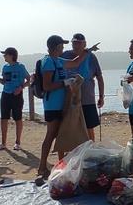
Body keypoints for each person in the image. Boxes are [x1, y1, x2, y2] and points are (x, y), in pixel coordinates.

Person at [37, 35, 99, 181]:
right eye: (62, 46)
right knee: (51, 134)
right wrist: (65, 82)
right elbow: (47, 86)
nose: (64, 48)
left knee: (62, 134)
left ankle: (62, 165)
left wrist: (88, 51)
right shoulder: (48, 62)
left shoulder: (58, 60)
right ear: (56, 47)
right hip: (52, 105)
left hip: (62, 104)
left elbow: (75, 62)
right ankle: (41, 167)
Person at [61, 33, 105, 141]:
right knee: (70, 126)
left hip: (87, 98)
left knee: (89, 126)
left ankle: (91, 149)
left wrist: (101, 96)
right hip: (70, 98)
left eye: (79, 43)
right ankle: (72, 151)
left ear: (84, 44)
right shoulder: (65, 55)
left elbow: (99, 77)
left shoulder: (91, 57)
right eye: (74, 43)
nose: (76, 45)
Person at [0, 47, 30, 151]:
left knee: (18, 118)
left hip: (16, 95)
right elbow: (4, 82)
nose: (4, 56)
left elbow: (29, 80)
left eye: (5, 54)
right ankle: (3, 143)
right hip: (5, 94)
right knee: (4, 119)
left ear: (11, 55)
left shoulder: (20, 67)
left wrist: (20, 88)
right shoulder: (5, 67)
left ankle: (17, 143)